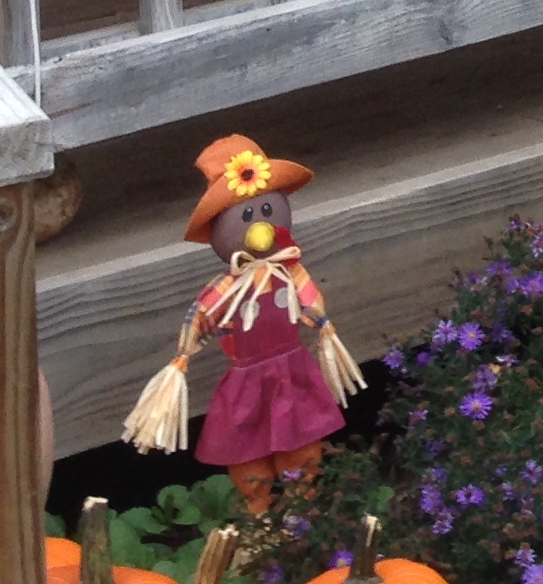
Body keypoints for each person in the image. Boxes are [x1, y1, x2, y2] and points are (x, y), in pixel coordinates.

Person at [120, 134, 364, 511]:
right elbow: (201, 318)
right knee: (248, 445)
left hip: (291, 369)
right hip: (249, 379)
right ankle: (259, 509)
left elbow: (314, 308)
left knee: (300, 439)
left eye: (267, 210)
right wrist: (181, 361)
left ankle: (304, 504)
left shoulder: (291, 274)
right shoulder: (226, 290)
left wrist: (325, 331)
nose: (259, 223)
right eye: (247, 215)